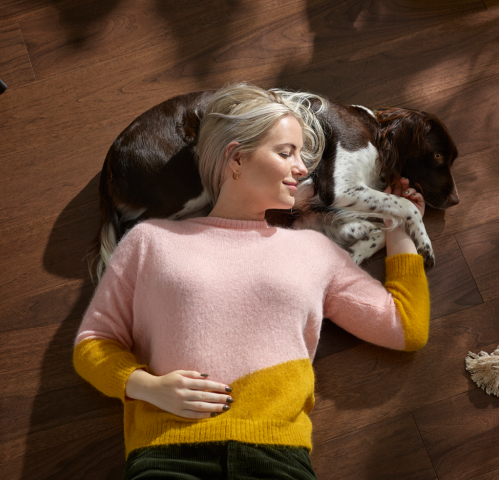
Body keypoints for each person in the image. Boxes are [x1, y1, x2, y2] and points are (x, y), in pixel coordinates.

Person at [72, 83, 430, 480]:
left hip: (279, 461)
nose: (302, 168)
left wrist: (399, 231)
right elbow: (93, 344)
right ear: (236, 159)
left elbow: (406, 328)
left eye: (302, 155)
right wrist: (143, 386)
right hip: (167, 457)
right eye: (286, 152)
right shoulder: (150, 240)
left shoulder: (315, 252)